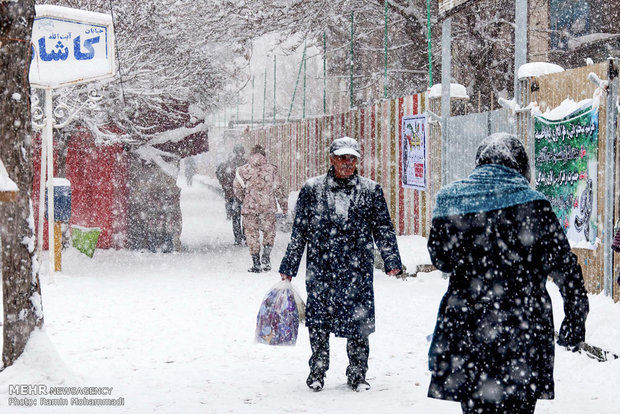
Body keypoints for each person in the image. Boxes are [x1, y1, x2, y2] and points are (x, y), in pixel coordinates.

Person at [426, 133, 589, 414]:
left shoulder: (450, 201)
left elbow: (441, 258)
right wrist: (575, 316)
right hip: (522, 329)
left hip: (468, 326)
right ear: (520, 165)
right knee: (519, 406)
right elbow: (565, 268)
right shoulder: (536, 206)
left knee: (475, 406)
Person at [279, 136, 402, 392]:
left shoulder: (370, 191)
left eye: (352, 158)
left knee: (358, 323)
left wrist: (392, 259)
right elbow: (300, 231)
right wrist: (289, 266)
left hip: (356, 270)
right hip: (322, 268)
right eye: (342, 157)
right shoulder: (312, 189)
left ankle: (357, 374)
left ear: (358, 161)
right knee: (318, 322)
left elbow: (383, 228)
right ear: (332, 159)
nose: (347, 163)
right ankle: (317, 371)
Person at [234, 144, 288, 272]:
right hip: (268, 207)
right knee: (269, 233)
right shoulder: (272, 170)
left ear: (251, 155)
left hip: (250, 208)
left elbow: (237, 189)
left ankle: (256, 263)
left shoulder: (242, 170)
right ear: (264, 155)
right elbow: (279, 188)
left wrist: (246, 198)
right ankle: (266, 257)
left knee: (251, 234)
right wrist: (284, 205)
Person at [216, 145, 246, 245]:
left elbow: (220, 174)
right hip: (245, 195)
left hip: (232, 194)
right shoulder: (247, 164)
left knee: (236, 218)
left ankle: (237, 238)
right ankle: (246, 237)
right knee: (246, 218)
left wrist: (226, 187)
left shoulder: (228, 164)